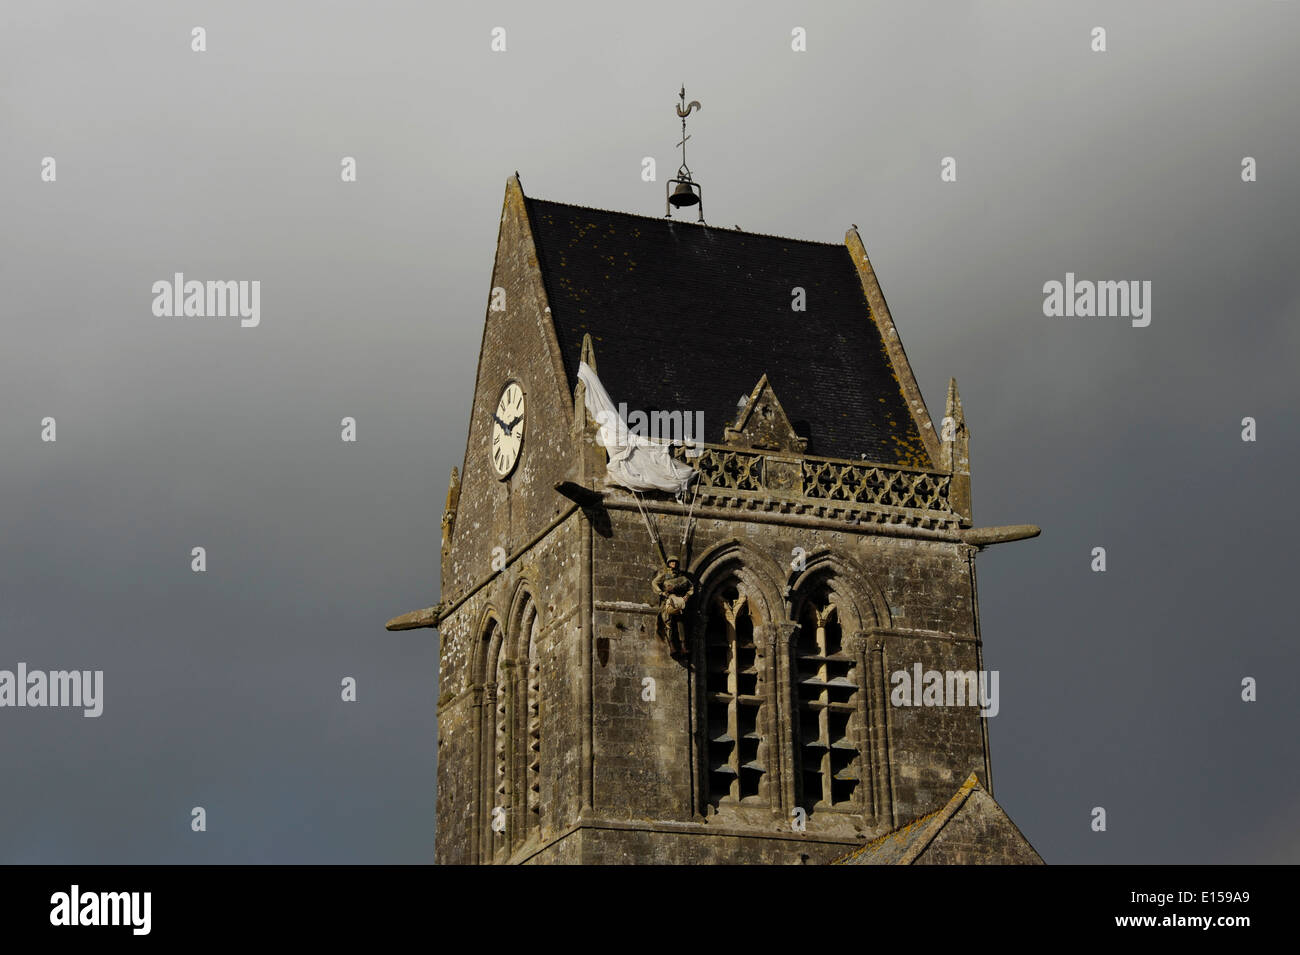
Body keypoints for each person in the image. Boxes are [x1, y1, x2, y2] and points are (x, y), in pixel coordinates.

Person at [651, 556, 695, 657]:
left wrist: (687, 596)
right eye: (671, 562)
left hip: (679, 602)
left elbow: (690, 587)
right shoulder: (664, 575)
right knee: (668, 623)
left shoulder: (682, 577)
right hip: (668, 602)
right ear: (668, 564)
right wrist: (661, 593)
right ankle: (672, 646)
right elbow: (654, 583)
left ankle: (683, 646)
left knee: (681, 624)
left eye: (675, 562)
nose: (673, 564)